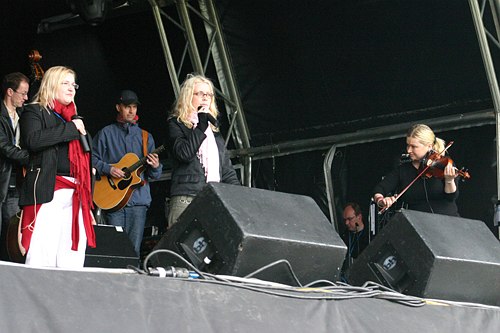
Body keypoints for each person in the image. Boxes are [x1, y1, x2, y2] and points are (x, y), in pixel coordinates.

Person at [18, 66, 95, 268]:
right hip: (49, 189)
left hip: (77, 194)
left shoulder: (75, 119)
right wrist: (71, 129)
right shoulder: (34, 111)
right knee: (42, 254)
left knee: (72, 257)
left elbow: (88, 159)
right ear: (52, 84)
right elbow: (33, 140)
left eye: (74, 84)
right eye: (65, 83)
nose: (72, 89)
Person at [92, 90, 162, 257]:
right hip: (113, 200)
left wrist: (156, 166)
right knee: (114, 251)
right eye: (127, 107)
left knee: (133, 252)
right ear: (118, 107)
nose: (132, 111)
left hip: (138, 202)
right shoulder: (106, 133)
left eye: (134, 107)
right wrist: (108, 169)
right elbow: (89, 159)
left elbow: (155, 176)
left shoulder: (146, 137)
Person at [166, 74, 240, 228]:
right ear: (188, 96)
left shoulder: (214, 132)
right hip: (186, 198)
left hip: (213, 199)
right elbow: (184, 154)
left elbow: (226, 170)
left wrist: (238, 197)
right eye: (200, 93)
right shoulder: (176, 125)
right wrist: (200, 126)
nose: (205, 98)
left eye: (208, 94)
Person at [372, 124, 459, 216]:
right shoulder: (402, 170)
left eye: (414, 146)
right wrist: (381, 201)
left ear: (429, 146)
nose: (409, 150)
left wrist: (449, 180)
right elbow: (379, 189)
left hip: (447, 221)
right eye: (408, 145)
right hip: (418, 224)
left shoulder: (443, 164)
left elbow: (451, 197)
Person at [0, 72, 30, 260]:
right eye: (23, 93)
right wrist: (31, 159)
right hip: (2, 182)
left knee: (13, 241)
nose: (26, 98)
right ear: (10, 92)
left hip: (16, 186)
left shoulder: (23, 116)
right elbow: (5, 147)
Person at [340, 202, 370, 280]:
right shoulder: (345, 235)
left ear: (359, 217)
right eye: (345, 220)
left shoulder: (369, 236)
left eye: (349, 219)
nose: (346, 223)